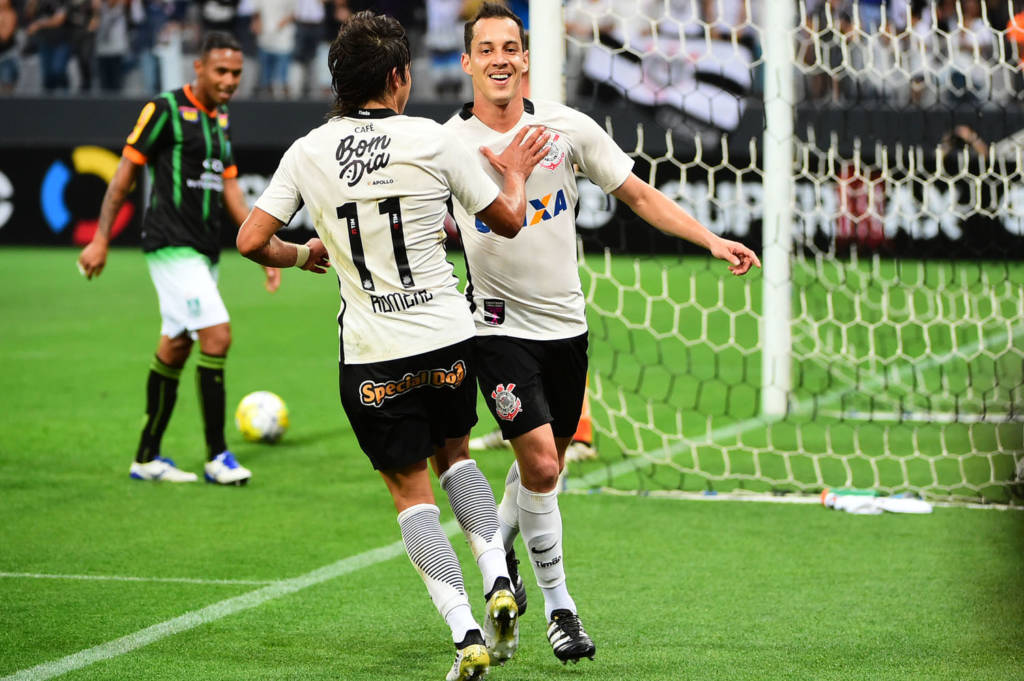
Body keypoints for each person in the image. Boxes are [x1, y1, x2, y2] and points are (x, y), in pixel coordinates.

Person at [235, 11, 549, 680]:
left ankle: (464, 630)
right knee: (456, 456)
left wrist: (303, 254)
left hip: (373, 351)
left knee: (410, 493)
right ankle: (498, 578)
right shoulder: (433, 139)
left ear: (339, 82)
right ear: (400, 77)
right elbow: (508, 220)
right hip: (446, 339)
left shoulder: (307, 152)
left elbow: (251, 240)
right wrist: (517, 173)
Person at [446, 2, 761, 665]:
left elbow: (639, 194)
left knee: (546, 466)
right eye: (487, 49)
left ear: (525, 58)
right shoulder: (448, 145)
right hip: (495, 328)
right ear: (468, 61)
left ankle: (500, 546)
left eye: (511, 47)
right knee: (540, 462)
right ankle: (560, 609)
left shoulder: (568, 128)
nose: (501, 59)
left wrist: (710, 239)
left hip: (566, 326)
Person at [77, 31, 278, 486]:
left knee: (176, 345)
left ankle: (147, 457)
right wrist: (100, 238)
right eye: (221, 71)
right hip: (170, 244)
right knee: (217, 335)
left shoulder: (220, 118)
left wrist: (262, 247)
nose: (229, 80)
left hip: (204, 251)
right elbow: (124, 174)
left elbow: (230, 188)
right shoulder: (165, 109)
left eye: (236, 73)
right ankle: (217, 456)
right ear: (199, 68)